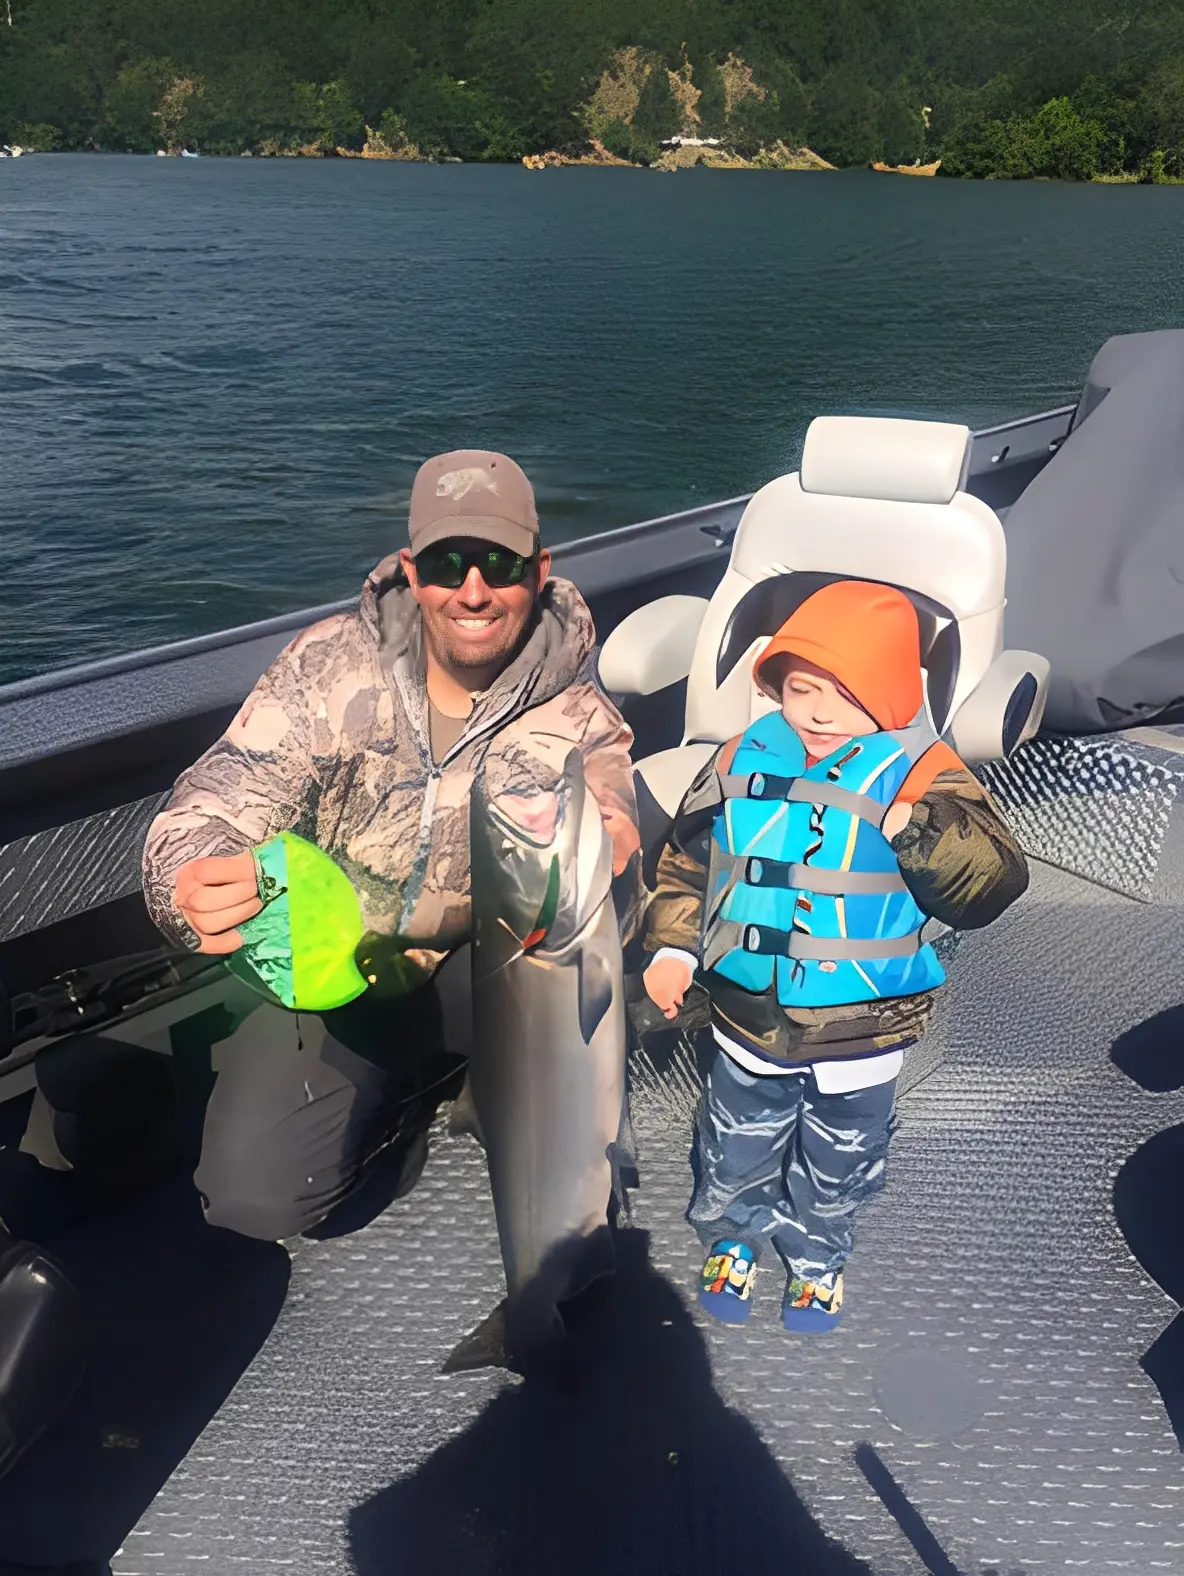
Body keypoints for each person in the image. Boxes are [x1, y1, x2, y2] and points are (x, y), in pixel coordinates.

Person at [141, 450, 642, 1243]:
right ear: (412, 571)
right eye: (448, 563)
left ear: (538, 571)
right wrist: (188, 876)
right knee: (253, 1200)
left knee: (580, 1097)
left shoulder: (574, 709)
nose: (472, 590)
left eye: (499, 563)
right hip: (347, 969)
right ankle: (413, 1098)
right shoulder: (327, 666)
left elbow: (612, 802)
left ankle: (519, 1128)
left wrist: (617, 845)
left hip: (495, 972)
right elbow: (217, 794)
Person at [641, 580, 1028, 1331]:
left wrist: (915, 825)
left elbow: (992, 882)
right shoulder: (736, 759)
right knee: (736, 1133)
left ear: (886, 698)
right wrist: (671, 950)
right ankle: (732, 1238)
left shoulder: (924, 775)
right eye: (798, 688)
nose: (815, 712)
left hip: (863, 1027)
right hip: (748, 1015)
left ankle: (818, 1254)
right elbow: (687, 866)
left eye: (843, 695)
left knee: (843, 1153)